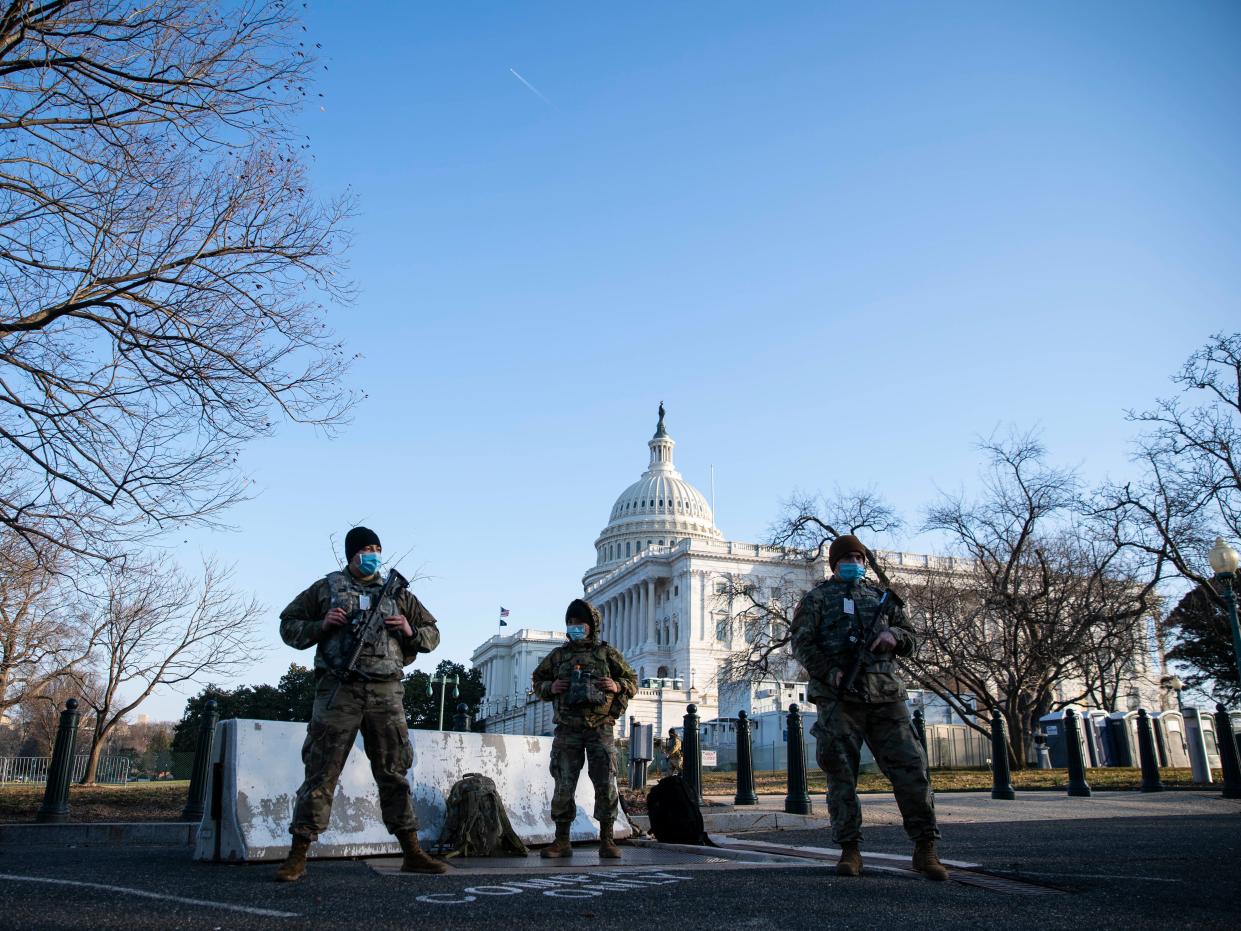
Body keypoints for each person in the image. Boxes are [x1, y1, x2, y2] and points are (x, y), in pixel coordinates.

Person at [273, 526, 447, 881]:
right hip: (340, 689)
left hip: (385, 692)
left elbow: (433, 634)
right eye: (365, 548)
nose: (372, 554)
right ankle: (298, 854)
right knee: (321, 771)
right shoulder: (327, 588)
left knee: (394, 773)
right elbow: (288, 625)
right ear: (351, 554)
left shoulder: (399, 595)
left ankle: (412, 851)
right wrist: (323, 624)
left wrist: (408, 630)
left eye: (376, 548)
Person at [790, 534, 948, 881]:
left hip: (885, 696)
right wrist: (830, 672)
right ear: (834, 564)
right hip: (840, 697)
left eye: (859, 559)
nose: (854, 564)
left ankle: (925, 847)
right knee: (841, 775)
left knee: (912, 770)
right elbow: (801, 644)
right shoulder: (816, 599)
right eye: (847, 558)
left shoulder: (883, 598)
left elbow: (911, 637)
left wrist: (895, 636)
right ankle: (850, 849)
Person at [531, 598, 637, 859]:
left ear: (592, 625)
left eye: (580, 623)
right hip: (568, 729)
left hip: (600, 728)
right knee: (564, 784)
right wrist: (550, 687)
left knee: (605, 784)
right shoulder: (559, 656)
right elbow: (538, 679)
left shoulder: (606, 653)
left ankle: (608, 839)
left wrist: (617, 686)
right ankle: (561, 840)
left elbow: (631, 680)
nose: (575, 627)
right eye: (570, 623)